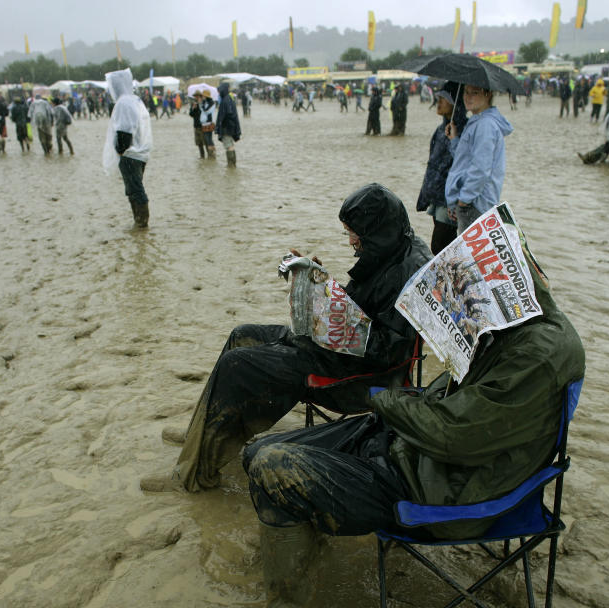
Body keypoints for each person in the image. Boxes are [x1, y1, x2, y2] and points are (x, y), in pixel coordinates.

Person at [221, 236, 585, 608]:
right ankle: (302, 551)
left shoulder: (537, 352)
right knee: (258, 451)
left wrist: (383, 400)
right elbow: (455, 406)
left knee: (274, 470)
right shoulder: (512, 329)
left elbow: (454, 435)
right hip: (404, 444)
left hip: (436, 489)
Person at [140, 184, 432, 494]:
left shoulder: (407, 270)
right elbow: (361, 308)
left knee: (236, 364)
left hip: (357, 375)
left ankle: (195, 476)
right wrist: (319, 285)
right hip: (336, 349)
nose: (351, 242)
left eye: (354, 235)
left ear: (375, 231)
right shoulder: (390, 246)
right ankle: (200, 438)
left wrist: (332, 312)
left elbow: (386, 350)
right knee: (242, 337)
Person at [445, 85, 513, 231]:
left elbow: (481, 168)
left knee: (470, 253)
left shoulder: (485, 125)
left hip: (475, 204)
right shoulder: (477, 121)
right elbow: (464, 160)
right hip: (472, 201)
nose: (468, 97)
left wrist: (464, 200)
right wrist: (455, 140)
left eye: (474, 93)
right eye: (466, 92)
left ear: (488, 95)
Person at [416, 83, 467, 254]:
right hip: (437, 195)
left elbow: (463, 163)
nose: (438, 103)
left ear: (455, 103)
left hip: (450, 198)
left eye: (443, 99)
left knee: (440, 246)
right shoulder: (440, 129)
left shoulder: (463, 130)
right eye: (438, 98)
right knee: (443, 246)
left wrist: (454, 138)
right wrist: (425, 194)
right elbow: (432, 164)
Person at [102, 68, 152, 229]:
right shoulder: (135, 100)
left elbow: (124, 131)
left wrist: (120, 150)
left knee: (135, 189)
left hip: (130, 153)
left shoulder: (124, 103)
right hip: (140, 152)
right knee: (134, 188)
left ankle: (141, 224)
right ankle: (139, 221)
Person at [216, 82, 241, 167]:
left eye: (219, 91)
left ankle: (231, 165)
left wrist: (221, 125)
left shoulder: (225, 100)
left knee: (229, 146)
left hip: (226, 128)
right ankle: (232, 164)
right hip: (231, 127)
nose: (218, 94)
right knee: (231, 145)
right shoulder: (230, 99)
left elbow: (226, 115)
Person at [199, 89, 217, 159]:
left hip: (209, 123)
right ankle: (211, 154)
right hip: (204, 123)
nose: (202, 97)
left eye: (203, 96)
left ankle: (212, 153)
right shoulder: (204, 102)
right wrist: (201, 104)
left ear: (206, 96)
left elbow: (207, 111)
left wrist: (201, 105)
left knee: (209, 139)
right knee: (207, 139)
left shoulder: (211, 103)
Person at [188, 91, 205, 159]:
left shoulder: (203, 103)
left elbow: (205, 113)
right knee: (199, 143)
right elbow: (191, 114)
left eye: (197, 96)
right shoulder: (193, 104)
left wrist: (200, 107)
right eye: (195, 96)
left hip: (203, 125)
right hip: (196, 125)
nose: (196, 98)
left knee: (205, 141)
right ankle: (202, 156)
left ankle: (209, 156)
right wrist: (193, 108)